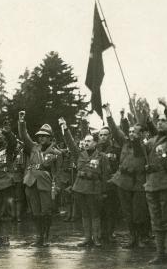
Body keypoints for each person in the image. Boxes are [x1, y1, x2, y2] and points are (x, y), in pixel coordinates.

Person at [142, 97, 167, 265]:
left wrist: (166, 107)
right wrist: (145, 114)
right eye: (158, 120)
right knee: (156, 221)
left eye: (163, 121)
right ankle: (159, 254)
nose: (160, 123)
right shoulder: (152, 141)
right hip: (152, 185)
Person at [103, 103, 148, 249]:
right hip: (123, 181)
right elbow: (115, 131)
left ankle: (141, 237)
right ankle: (133, 237)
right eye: (130, 132)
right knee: (128, 212)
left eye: (135, 132)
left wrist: (137, 139)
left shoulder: (145, 146)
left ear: (142, 134)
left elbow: (138, 149)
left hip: (139, 182)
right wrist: (108, 113)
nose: (131, 134)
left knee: (138, 212)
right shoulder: (125, 142)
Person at [60, 118, 110, 247]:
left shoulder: (102, 157)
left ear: (95, 143)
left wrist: (104, 191)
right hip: (80, 188)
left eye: (89, 141)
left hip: (94, 189)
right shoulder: (79, 154)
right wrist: (65, 128)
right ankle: (87, 238)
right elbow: (70, 142)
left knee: (95, 214)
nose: (86, 143)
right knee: (85, 213)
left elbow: (105, 175)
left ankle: (96, 238)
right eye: (85, 141)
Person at [18, 111, 61, 246]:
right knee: (35, 212)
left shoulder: (56, 152)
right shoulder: (34, 148)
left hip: (46, 184)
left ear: (50, 138)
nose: (41, 138)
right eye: (40, 136)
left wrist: (57, 186)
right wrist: (21, 122)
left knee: (46, 212)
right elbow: (24, 136)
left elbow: (58, 171)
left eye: (45, 136)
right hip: (31, 182)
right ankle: (39, 236)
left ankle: (45, 236)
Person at [96, 124, 122, 244]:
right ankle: (101, 232)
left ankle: (110, 232)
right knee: (99, 209)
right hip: (98, 182)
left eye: (105, 135)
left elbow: (120, 166)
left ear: (110, 136)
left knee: (111, 209)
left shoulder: (117, 149)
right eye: (101, 135)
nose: (103, 137)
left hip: (112, 183)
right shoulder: (96, 150)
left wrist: (115, 178)